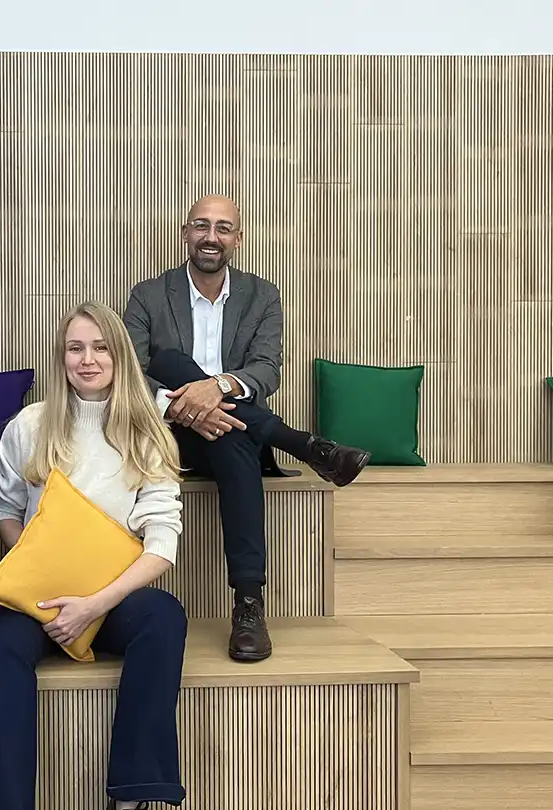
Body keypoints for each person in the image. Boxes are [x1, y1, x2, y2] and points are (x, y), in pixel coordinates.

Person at [122, 194, 370, 663]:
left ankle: (248, 602)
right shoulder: (149, 295)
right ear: (185, 233)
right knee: (170, 363)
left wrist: (214, 388)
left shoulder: (262, 296)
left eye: (222, 228)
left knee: (231, 434)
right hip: (167, 435)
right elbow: (134, 370)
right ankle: (306, 447)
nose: (210, 236)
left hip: (235, 429)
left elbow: (266, 369)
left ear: (238, 238)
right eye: (201, 225)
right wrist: (185, 404)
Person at [0, 301, 188, 810]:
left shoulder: (147, 432)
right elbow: (6, 508)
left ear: (120, 355)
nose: (87, 359)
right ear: (61, 357)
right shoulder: (29, 425)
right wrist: (38, 570)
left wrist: (92, 604)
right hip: (38, 598)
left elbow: (163, 540)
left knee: (164, 617)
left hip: (111, 598)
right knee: (1, 647)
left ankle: (134, 793)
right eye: (75, 348)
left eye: (100, 347)